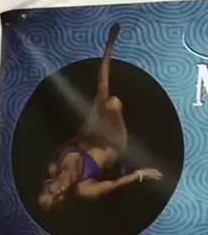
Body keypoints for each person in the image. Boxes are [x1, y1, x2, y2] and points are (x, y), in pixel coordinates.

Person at [36, 23, 163, 212]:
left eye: (51, 191)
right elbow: (114, 184)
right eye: (58, 198)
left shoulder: (54, 165)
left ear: (48, 183)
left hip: (91, 133)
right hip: (113, 143)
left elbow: (72, 142)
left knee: (103, 91)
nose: (59, 191)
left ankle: (109, 45)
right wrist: (141, 174)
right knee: (114, 103)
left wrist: (86, 130)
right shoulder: (84, 189)